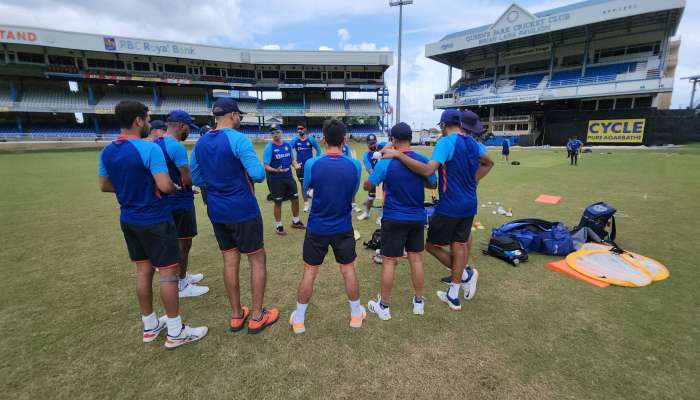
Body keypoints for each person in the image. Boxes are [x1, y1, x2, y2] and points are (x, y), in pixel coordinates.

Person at [98, 100, 207, 349]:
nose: (149, 123)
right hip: (155, 219)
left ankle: (149, 325)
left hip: (128, 218)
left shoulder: (108, 150)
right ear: (138, 120)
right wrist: (176, 187)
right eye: (146, 118)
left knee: (143, 271)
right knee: (168, 275)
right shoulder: (148, 149)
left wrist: (130, 190)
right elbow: (165, 185)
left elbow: (104, 185)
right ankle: (176, 332)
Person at [382, 109, 494, 311]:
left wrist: (398, 154)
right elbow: (489, 163)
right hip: (470, 204)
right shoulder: (472, 142)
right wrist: (474, 179)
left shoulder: (445, 142)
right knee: (459, 245)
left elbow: (427, 170)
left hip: (450, 205)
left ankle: (466, 275)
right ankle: (454, 294)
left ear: (443, 126)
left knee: (432, 246)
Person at [190, 98, 279, 334]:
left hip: (217, 211)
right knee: (256, 259)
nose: (240, 118)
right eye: (239, 115)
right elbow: (258, 174)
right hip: (242, 209)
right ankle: (258, 315)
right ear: (232, 115)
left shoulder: (200, 143)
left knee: (230, 260)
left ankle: (237, 315)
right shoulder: (238, 139)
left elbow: (196, 177)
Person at [289, 119, 366, 334]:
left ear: (323, 139)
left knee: (310, 272)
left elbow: (308, 188)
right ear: (344, 140)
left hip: (317, 227)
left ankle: (299, 320)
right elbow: (352, 193)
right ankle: (356, 316)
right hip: (342, 227)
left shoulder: (313, 163)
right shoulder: (354, 165)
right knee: (348, 270)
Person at [364, 122, 437, 320]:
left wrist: (380, 161)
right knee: (416, 260)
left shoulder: (387, 161)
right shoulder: (422, 160)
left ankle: (384, 307)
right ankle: (419, 303)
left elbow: (368, 185)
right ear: (410, 139)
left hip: (394, 217)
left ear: (393, 140)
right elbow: (433, 184)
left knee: (389, 261)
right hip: (416, 217)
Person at [155, 110, 209, 298]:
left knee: (174, 241)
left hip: (165, 200)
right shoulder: (176, 147)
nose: (188, 132)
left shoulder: (157, 143)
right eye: (187, 128)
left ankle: (182, 276)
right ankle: (181, 284)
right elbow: (186, 177)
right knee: (184, 243)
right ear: (180, 125)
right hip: (180, 202)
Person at [263, 125, 306, 235]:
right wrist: (276, 170)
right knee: (278, 202)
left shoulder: (287, 145)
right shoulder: (269, 147)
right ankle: (279, 226)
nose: (275, 134)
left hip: (288, 177)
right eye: (272, 132)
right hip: (275, 179)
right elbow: (266, 166)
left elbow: (292, 159)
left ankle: (295, 221)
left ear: (281, 132)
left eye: (277, 131)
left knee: (295, 199)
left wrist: (296, 165)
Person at [290, 124, 322, 213]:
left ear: (305, 129)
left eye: (301, 128)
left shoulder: (310, 139)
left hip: (310, 167)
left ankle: (315, 204)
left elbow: (318, 149)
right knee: (303, 185)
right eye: (298, 129)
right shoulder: (294, 140)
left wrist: (315, 160)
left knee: (313, 184)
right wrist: (294, 162)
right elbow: (288, 150)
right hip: (300, 167)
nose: (299, 130)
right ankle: (306, 204)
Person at [357, 134, 386, 222]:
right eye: (370, 144)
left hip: (386, 176)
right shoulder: (366, 155)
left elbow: (391, 144)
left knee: (385, 197)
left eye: (374, 143)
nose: (373, 145)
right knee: (370, 197)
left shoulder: (382, 146)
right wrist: (378, 178)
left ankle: (382, 216)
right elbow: (370, 170)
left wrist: (381, 152)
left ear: (376, 142)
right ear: (367, 144)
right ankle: (367, 213)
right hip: (375, 177)